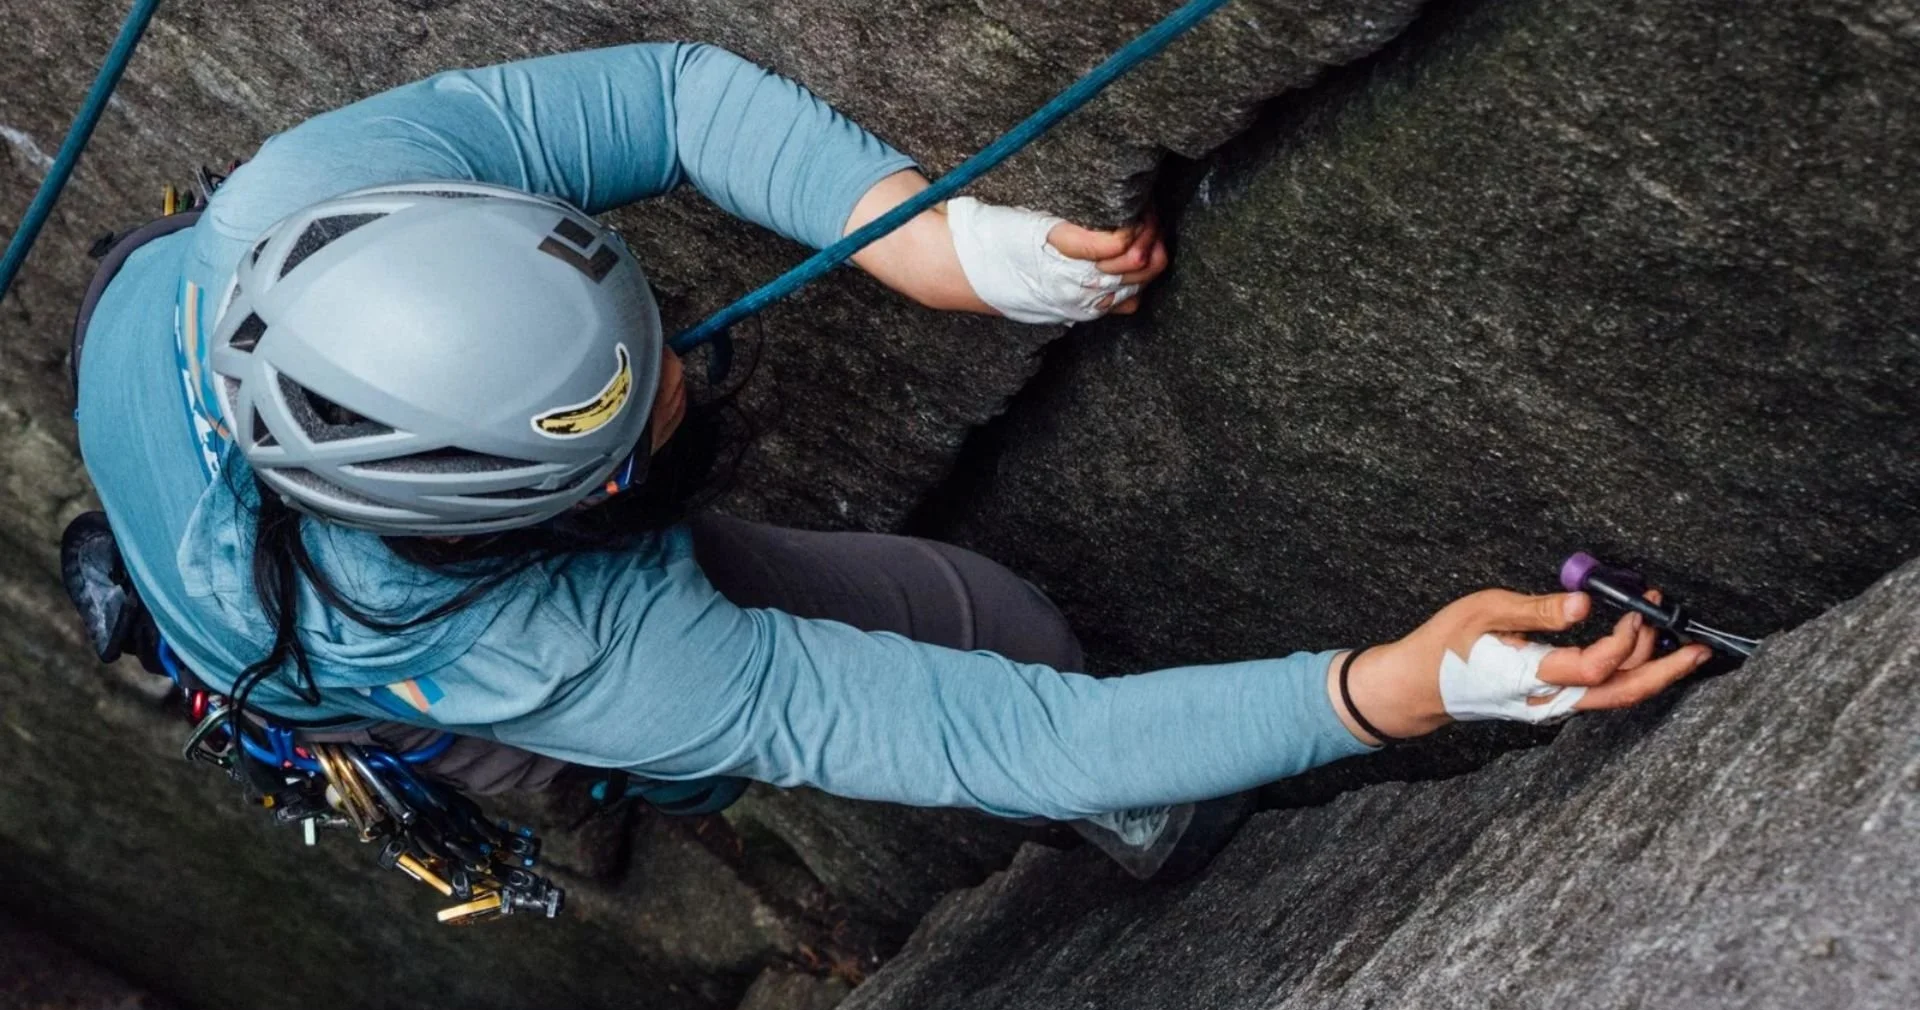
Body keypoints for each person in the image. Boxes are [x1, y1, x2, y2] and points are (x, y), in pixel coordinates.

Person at [72, 43, 1709, 882]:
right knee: (980, 631)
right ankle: (1144, 834)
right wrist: (1385, 692)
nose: (689, 369)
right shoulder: (543, 649)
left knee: (958, 636)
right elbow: (1024, 732)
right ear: (558, 517)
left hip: (216, 514)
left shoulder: (314, 198)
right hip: (384, 681)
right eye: (642, 421)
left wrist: (921, 239)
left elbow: (667, 97)